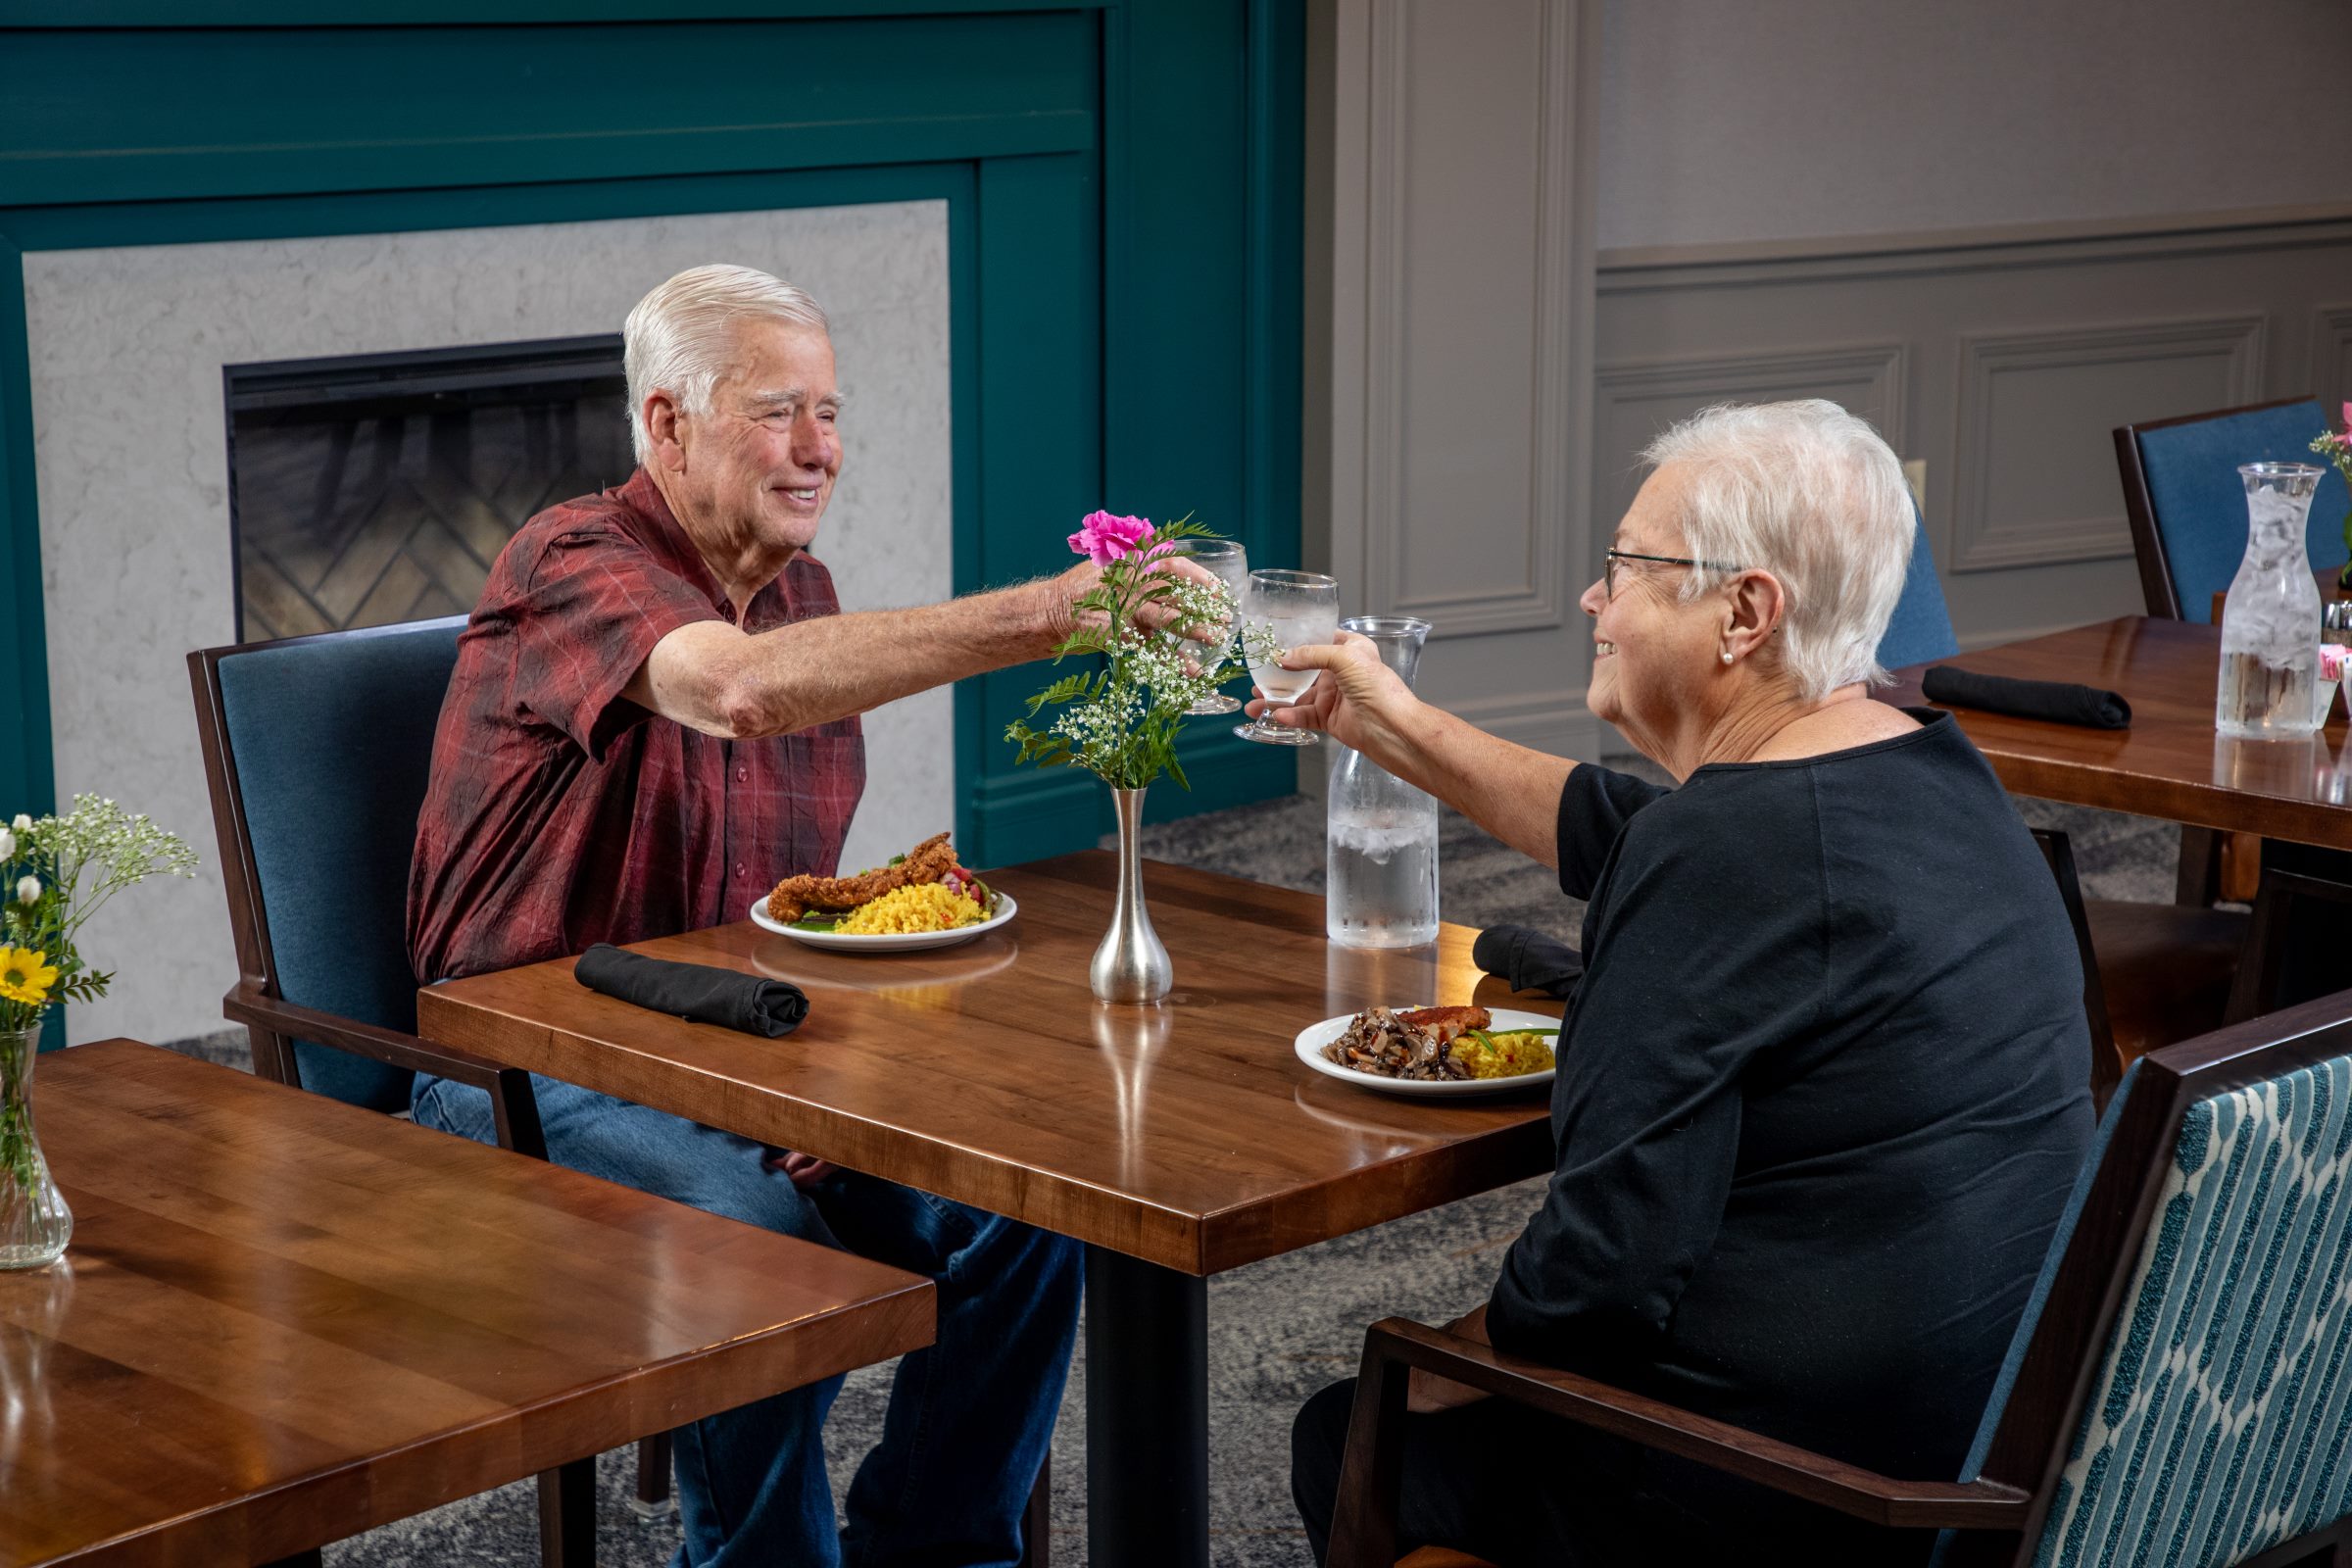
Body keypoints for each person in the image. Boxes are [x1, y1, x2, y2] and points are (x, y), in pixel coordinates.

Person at [406, 265, 1183, 1568]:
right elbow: (743, 695)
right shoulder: (568, 561)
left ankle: (935, 1548)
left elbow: (765, 918)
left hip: (721, 1041)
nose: (820, 449)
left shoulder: (806, 602)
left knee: (1033, 1209)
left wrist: (819, 1082)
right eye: (779, 413)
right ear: (667, 425)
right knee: (760, 1255)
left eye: (832, 411)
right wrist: (1055, 613)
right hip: (518, 1067)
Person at [1275, 401, 2096, 1566]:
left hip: (1790, 1499)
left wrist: (1423, 1364)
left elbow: (1596, 1285)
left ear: (1745, 612)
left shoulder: (1727, 858)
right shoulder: (1933, 776)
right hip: (1979, 1457)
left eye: (1625, 567)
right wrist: (1398, 725)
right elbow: (1635, 834)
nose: (1592, 600)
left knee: (1350, 1429)